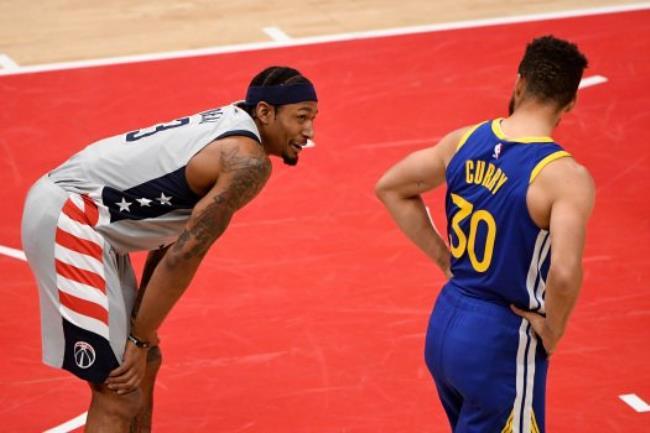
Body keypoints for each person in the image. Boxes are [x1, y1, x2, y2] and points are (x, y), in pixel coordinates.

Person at [21, 66, 318, 433]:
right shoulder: (247, 161)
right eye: (301, 117)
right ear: (265, 112)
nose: (310, 131)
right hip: (70, 217)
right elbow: (184, 255)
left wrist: (142, 338)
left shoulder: (232, 126)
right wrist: (138, 337)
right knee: (118, 389)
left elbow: (173, 237)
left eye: (313, 118)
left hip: (90, 218)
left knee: (146, 360)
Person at [375, 35, 593, 433]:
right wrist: (553, 330)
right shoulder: (564, 176)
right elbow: (564, 273)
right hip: (500, 339)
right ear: (572, 102)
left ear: (519, 83)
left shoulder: (464, 141)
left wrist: (444, 259)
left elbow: (391, 187)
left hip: (446, 322)